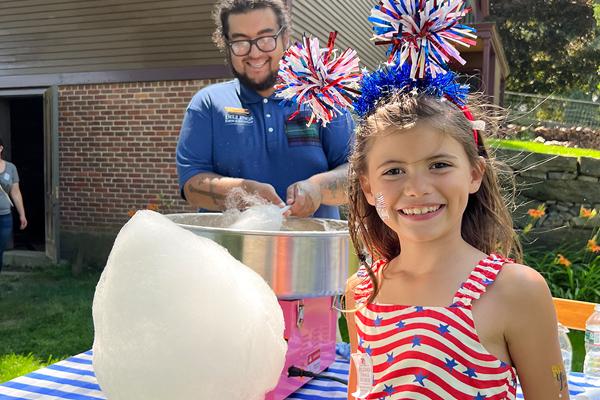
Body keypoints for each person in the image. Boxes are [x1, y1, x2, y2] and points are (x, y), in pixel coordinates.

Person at [344, 92, 568, 399]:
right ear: (369, 188)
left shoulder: (516, 291)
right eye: (393, 171)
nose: (416, 189)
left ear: (474, 174)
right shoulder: (362, 290)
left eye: (438, 165)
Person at [176, 0, 355, 218]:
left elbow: (358, 173)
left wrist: (317, 188)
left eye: (266, 38)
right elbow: (191, 183)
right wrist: (244, 193)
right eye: (240, 41)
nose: (255, 53)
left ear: (285, 38)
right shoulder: (207, 104)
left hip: (313, 248)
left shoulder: (322, 97)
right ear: (226, 45)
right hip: (227, 249)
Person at [0, 138, 27, 272]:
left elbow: (15, 193)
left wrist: (22, 215)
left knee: (0, 249)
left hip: (5, 217)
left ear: (0, 148)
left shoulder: (10, 168)